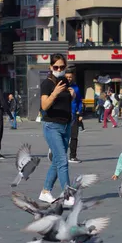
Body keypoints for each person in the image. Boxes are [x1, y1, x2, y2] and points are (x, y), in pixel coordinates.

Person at [39, 53, 76, 205]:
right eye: (56, 67)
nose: (59, 69)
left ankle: (45, 191)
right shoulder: (47, 84)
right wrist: (54, 93)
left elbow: (65, 102)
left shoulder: (64, 81)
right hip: (51, 125)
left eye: (62, 67)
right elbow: (44, 106)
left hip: (66, 125)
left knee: (57, 160)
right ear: (50, 67)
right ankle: (67, 195)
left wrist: (71, 95)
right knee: (62, 160)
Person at [66, 68, 83, 163]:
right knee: (62, 135)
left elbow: (79, 101)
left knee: (74, 136)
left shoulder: (76, 87)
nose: (69, 79)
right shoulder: (61, 87)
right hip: (63, 114)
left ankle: (73, 156)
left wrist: (80, 112)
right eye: (67, 77)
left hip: (73, 114)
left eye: (70, 77)